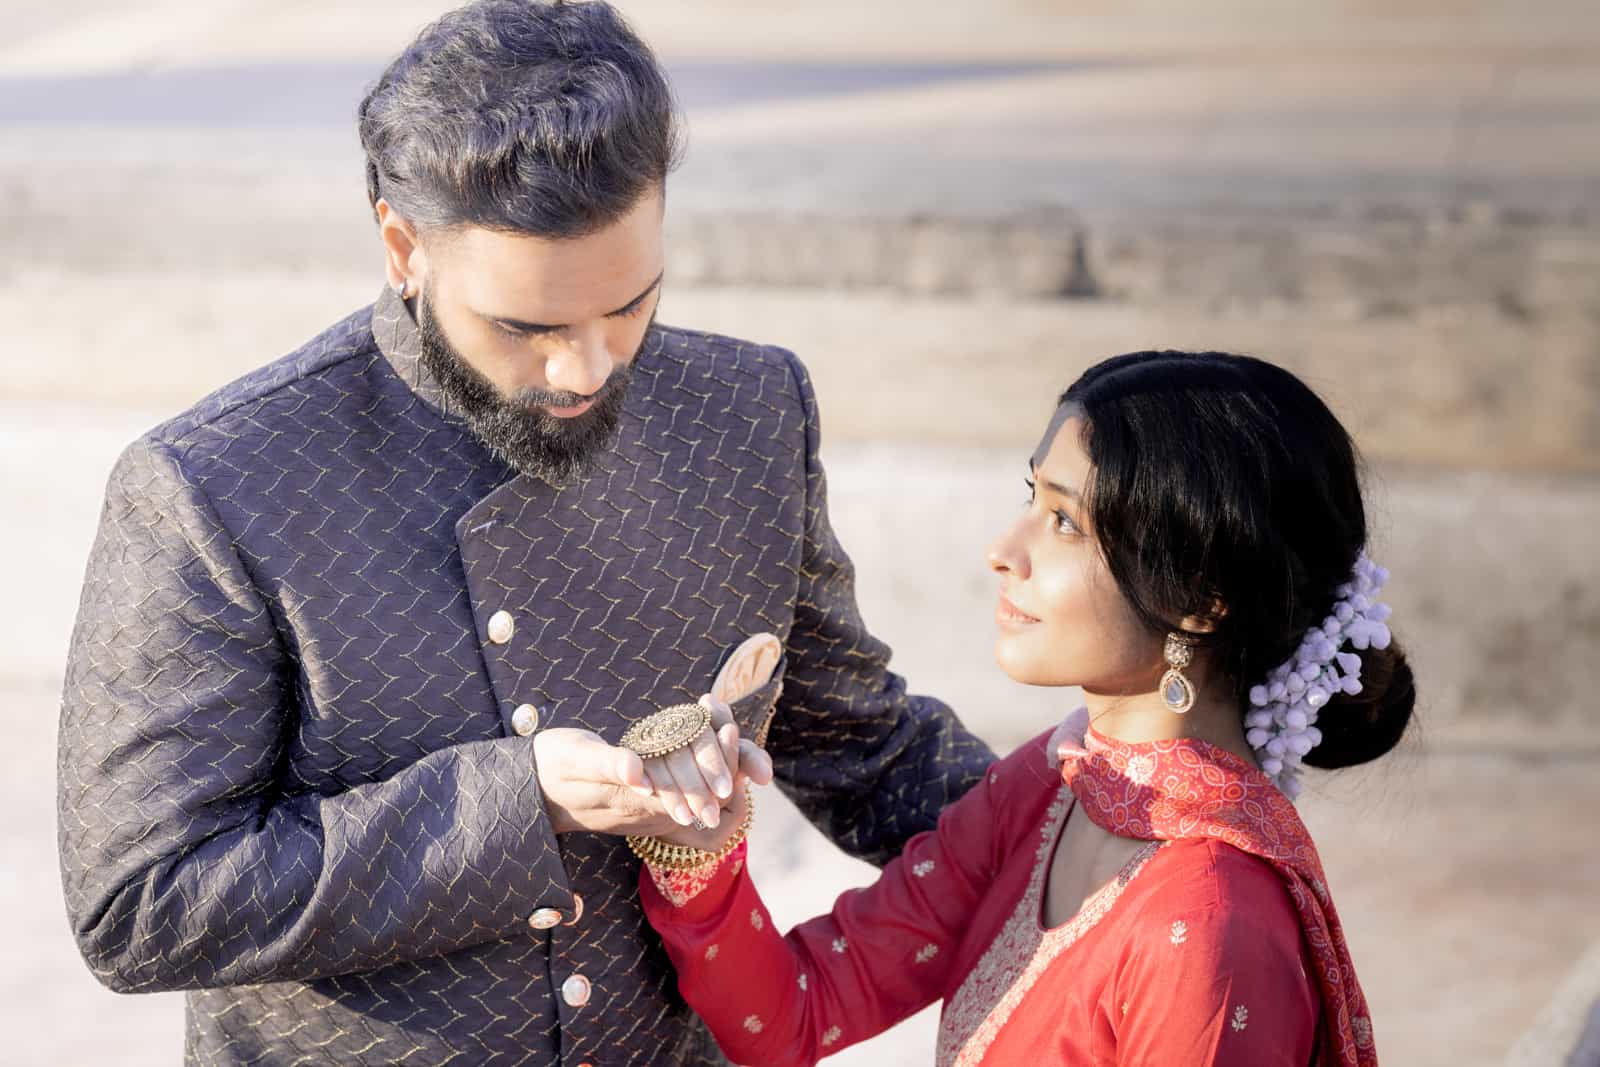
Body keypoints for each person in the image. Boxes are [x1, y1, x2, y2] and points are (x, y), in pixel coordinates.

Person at [54, 2, 991, 1063]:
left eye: (630, 306)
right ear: (403, 244)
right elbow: (139, 903)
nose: (587, 369)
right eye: (528, 326)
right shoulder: (217, 485)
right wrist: (516, 801)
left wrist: (1107, 807)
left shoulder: (748, 411)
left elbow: (859, 745)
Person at [641, 350, 1415, 1066]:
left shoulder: (1208, 922)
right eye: (1031, 497)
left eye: (1065, 521)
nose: (1004, 549)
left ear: (1202, 602)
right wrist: (699, 846)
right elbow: (799, 1012)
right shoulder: (1052, 785)